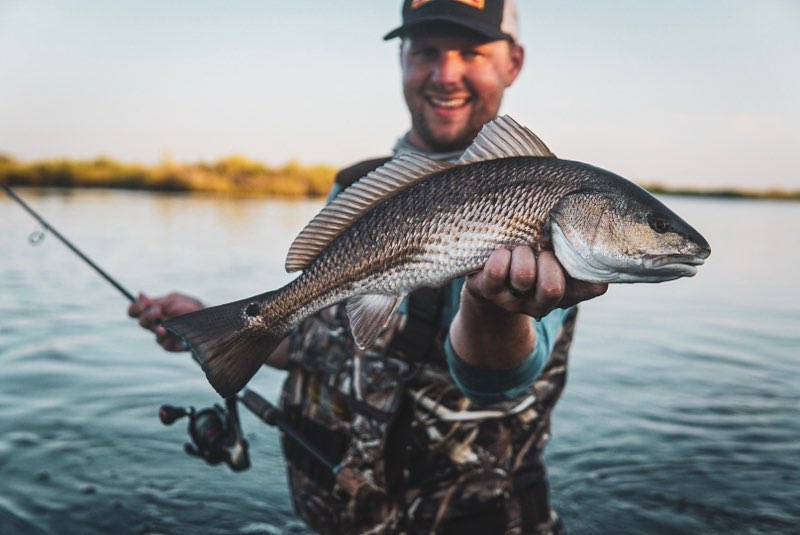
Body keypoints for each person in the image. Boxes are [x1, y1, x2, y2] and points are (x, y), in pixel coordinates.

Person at [129, 1, 607, 533]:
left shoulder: (552, 198)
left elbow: (498, 382)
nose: (445, 74)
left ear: (513, 63)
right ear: (402, 58)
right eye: (426, 51)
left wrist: (491, 307)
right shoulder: (358, 188)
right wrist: (217, 329)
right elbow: (316, 345)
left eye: (471, 52)